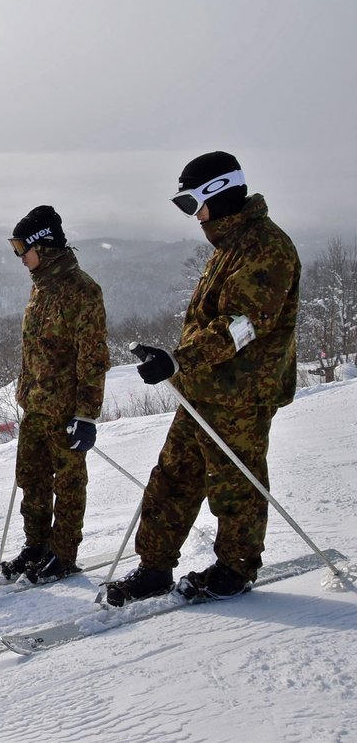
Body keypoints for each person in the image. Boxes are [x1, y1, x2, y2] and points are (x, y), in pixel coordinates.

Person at [104, 151, 301, 605]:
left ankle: (235, 568)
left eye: (192, 204)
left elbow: (242, 324)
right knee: (172, 478)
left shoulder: (267, 248)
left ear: (220, 192)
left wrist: (180, 360)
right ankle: (153, 568)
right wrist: (180, 363)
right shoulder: (229, 244)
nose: (193, 217)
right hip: (204, 390)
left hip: (241, 394)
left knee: (235, 484)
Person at [0, 206, 110, 584]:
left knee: (67, 483)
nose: (19, 257)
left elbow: (93, 358)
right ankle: (36, 545)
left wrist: (87, 413)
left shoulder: (82, 290)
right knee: (31, 479)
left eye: (21, 247)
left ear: (42, 246)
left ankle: (63, 553)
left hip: (65, 410)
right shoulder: (41, 287)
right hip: (35, 404)